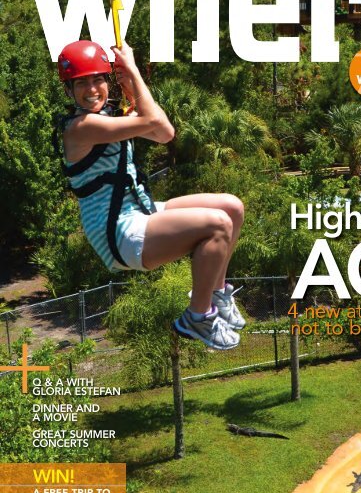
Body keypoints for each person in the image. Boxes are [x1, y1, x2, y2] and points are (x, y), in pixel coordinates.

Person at [56, 39, 245, 350]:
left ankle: (217, 293)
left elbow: (164, 133)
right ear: (69, 90)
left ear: (108, 81)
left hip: (139, 210)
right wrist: (130, 70)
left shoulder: (110, 117)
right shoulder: (81, 127)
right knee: (218, 224)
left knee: (232, 208)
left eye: (98, 79)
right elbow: (154, 121)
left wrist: (130, 84)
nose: (92, 89)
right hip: (118, 232)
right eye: (81, 84)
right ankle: (198, 316)